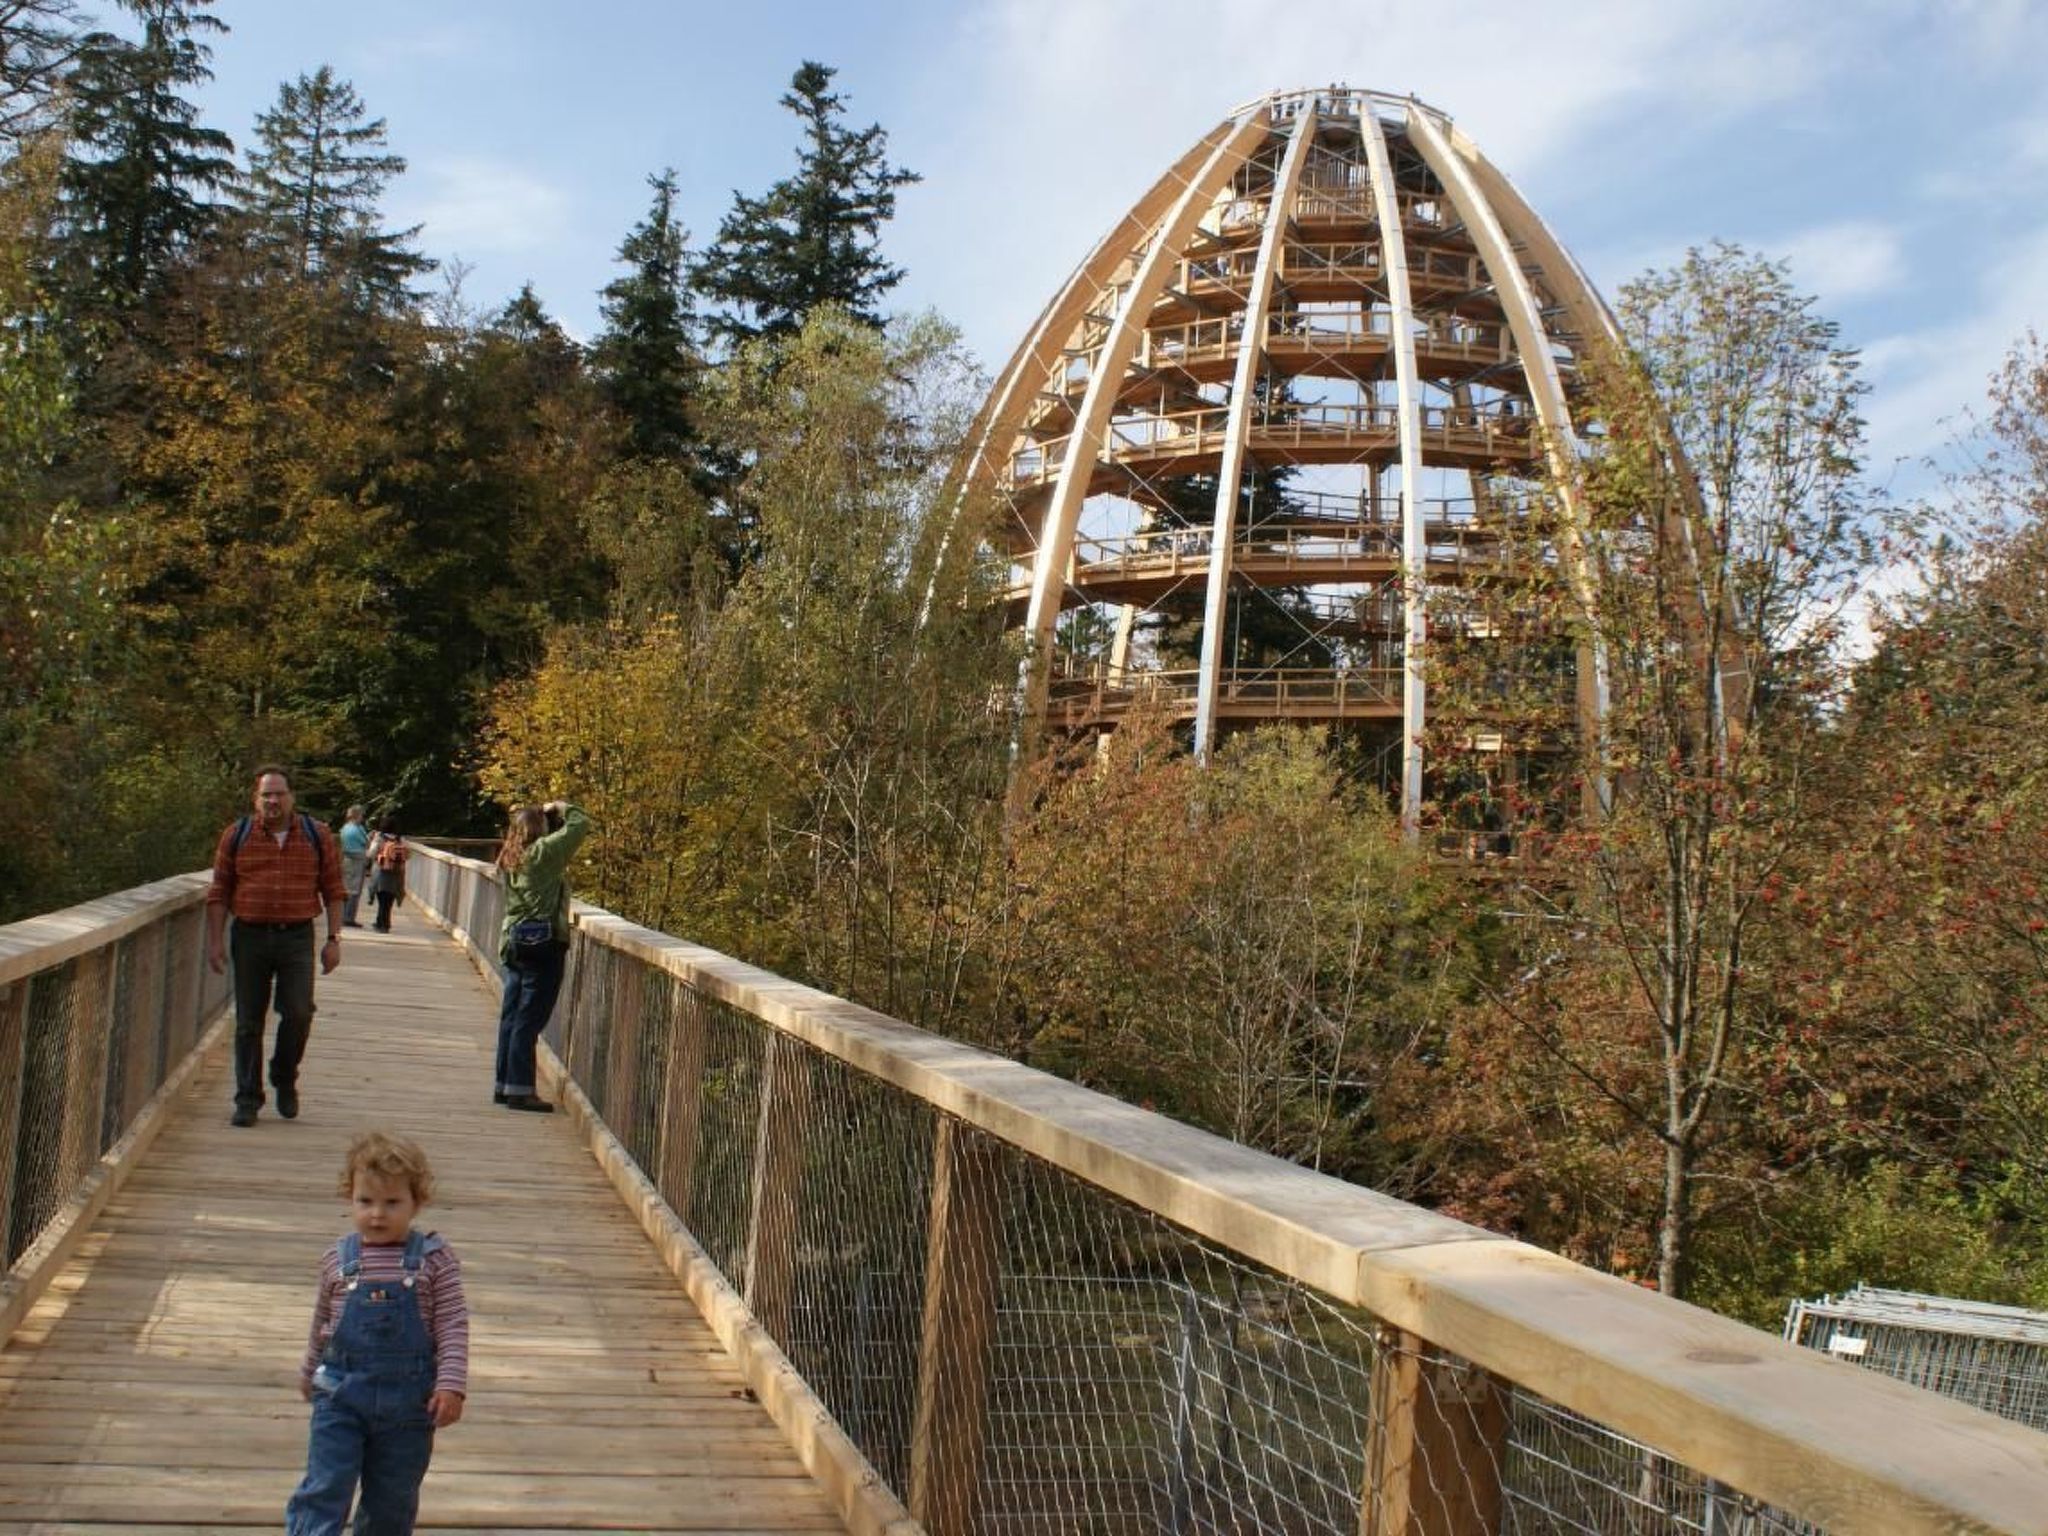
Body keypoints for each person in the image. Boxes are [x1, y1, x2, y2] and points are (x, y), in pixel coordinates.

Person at [286, 1130, 467, 1535]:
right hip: (339, 1396)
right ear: (349, 1198)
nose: (377, 1215)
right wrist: (309, 1370)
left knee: (392, 1498)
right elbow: (322, 1324)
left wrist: (451, 1385)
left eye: (392, 1203)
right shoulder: (338, 1259)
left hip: (408, 1407)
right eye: (365, 1202)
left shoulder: (434, 1261)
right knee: (325, 1484)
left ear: (417, 1203)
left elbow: (452, 1325)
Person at [206, 766, 346, 1128]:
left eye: (278, 793)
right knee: (248, 1021)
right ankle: (247, 1099)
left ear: (292, 797)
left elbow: (333, 889)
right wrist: (214, 941)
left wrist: (334, 939)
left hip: (297, 935)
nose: (272, 801)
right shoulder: (236, 835)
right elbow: (219, 891)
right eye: (265, 794)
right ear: (256, 799)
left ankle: (284, 1077)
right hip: (249, 935)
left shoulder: (317, 835)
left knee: (299, 1011)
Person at [493, 799, 591, 1112]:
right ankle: (521, 1090)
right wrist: (562, 806)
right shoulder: (543, 853)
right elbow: (581, 825)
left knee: (512, 1015)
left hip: (514, 942)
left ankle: (505, 1085)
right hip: (542, 945)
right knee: (529, 1018)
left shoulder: (511, 855)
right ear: (539, 829)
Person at [367, 819, 408, 933]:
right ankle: (386, 923)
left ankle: (381, 924)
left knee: (382, 899)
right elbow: (407, 855)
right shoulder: (400, 839)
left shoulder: (379, 838)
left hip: (381, 872)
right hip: (396, 873)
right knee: (389, 900)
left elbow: (371, 854)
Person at [338, 806, 371, 928]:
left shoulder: (345, 828)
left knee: (347, 887)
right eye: (361, 815)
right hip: (357, 860)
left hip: (347, 860)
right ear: (357, 815)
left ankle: (343, 915)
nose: (362, 818)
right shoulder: (356, 829)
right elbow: (367, 843)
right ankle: (348, 917)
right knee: (354, 890)